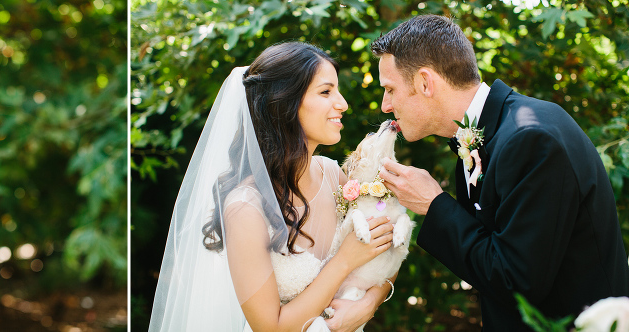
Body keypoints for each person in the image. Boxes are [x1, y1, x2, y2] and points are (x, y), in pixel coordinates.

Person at [373, 14, 629, 331]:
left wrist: (434, 204)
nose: (385, 104)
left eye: (389, 89)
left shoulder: (531, 139)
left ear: (426, 83)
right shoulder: (484, 135)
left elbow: (516, 281)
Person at [149, 42, 396, 332]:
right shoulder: (245, 207)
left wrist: (368, 305)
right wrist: (343, 262)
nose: (342, 103)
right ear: (285, 102)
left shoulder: (333, 176)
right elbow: (270, 327)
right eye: (326, 92)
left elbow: (388, 251)